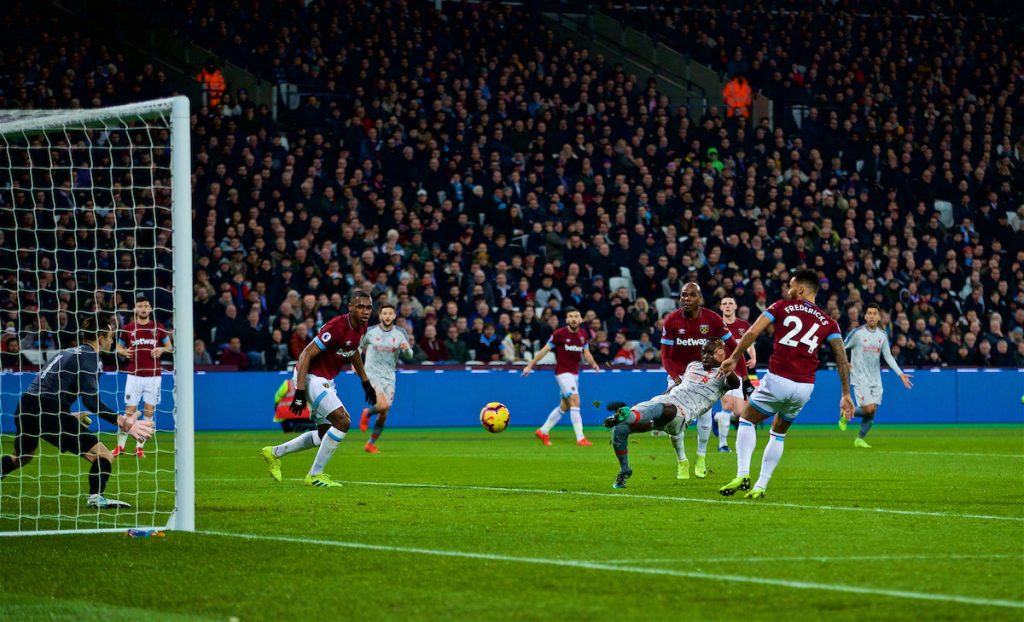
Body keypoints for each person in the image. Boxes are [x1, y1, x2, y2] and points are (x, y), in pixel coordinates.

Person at [718, 269, 854, 499]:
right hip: (804, 387)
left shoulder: (781, 306)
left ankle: (743, 473)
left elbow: (752, 333)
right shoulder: (829, 322)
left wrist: (734, 357)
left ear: (801, 289)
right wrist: (846, 393)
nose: (787, 290)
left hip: (778, 378)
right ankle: (761, 486)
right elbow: (842, 358)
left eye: (791, 285)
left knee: (747, 419)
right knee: (778, 433)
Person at [0, 314, 155, 509]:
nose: (112, 340)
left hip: (25, 407)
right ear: (100, 338)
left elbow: (47, 388)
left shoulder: (66, 352)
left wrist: (68, 414)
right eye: (110, 336)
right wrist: (124, 422)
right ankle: (96, 497)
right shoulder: (91, 357)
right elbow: (90, 401)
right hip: (49, 410)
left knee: (22, 457)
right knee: (104, 456)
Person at [260, 291, 377, 488]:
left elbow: (353, 350)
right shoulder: (336, 327)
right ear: (350, 307)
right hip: (311, 377)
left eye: (368, 307)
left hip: (325, 379)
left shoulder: (362, 327)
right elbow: (305, 354)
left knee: (325, 434)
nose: (365, 311)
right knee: (343, 421)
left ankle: (274, 453)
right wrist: (299, 390)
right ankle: (315, 475)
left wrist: (365, 381)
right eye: (360, 307)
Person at [604, 339, 740, 489]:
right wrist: (660, 396)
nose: (705, 356)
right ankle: (625, 471)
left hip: (682, 413)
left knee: (666, 408)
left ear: (721, 353)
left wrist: (728, 368)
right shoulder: (693, 366)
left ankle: (629, 415)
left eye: (710, 353)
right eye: (703, 352)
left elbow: (736, 384)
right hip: (664, 401)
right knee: (621, 428)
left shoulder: (723, 376)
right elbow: (679, 386)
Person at [658, 283, 747, 479]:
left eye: (691, 295)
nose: (686, 299)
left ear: (700, 298)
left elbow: (733, 346)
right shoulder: (672, 321)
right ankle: (682, 460)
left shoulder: (712, 319)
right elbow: (666, 357)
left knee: (705, 417)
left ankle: (701, 457)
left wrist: (743, 372)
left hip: (706, 375)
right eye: (683, 295)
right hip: (679, 375)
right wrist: (676, 379)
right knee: (675, 420)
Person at [522, 307, 601, 446]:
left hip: (574, 374)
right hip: (562, 373)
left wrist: (594, 364)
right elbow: (544, 350)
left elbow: (586, 353)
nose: (573, 319)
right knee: (575, 401)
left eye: (576, 316)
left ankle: (543, 431)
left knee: (565, 406)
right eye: (570, 316)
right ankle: (580, 438)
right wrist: (530, 365)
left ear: (581, 319)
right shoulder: (559, 334)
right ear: (566, 319)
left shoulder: (583, 334)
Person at [839, 303, 913, 447]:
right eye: (869, 313)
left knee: (872, 412)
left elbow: (888, 356)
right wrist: (845, 360)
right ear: (865, 316)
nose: (872, 316)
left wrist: (900, 374)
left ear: (879, 317)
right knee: (869, 408)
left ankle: (859, 439)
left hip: (876, 379)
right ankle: (846, 412)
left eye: (875, 313)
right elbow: (841, 346)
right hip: (860, 377)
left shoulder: (882, 335)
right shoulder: (858, 333)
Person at [114, 296, 172, 459]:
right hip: (134, 376)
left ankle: (139, 447)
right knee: (129, 412)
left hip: (154, 377)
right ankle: (120, 446)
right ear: (135, 309)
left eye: (146, 306)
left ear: (151, 309)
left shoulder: (158, 328)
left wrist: (161, 349)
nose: (143, 308)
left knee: (149, 411)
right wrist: (123, 352)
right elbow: (118, 347)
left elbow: (170, 347)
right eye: (140, 306)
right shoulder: (128, 328)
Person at [358, 303, 414, 453]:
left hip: (389, 376)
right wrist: (356, 365)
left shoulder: (400, 333)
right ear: (380, 315)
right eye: (385, 313)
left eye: (390, 313)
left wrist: (406, 349)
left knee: (384, 413)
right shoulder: (370, 332)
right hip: (371, 373)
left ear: (394, 316)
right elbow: (358, 348)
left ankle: (370, 444)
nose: (387, 316)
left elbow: (410, 355)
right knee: (382, 406)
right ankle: (367, 413)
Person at [714, 296, 757, 452]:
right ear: (721, 307)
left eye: (730, 303)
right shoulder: (717, 325)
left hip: (739, 370)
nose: (727, 306)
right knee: (728, 405)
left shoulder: (743, 325)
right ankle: (723, 445)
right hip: (722, 370)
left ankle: (717, 418)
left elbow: (750, 344)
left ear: (735, 306)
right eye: (724, 303)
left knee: (740, 412)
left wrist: (753, 357)